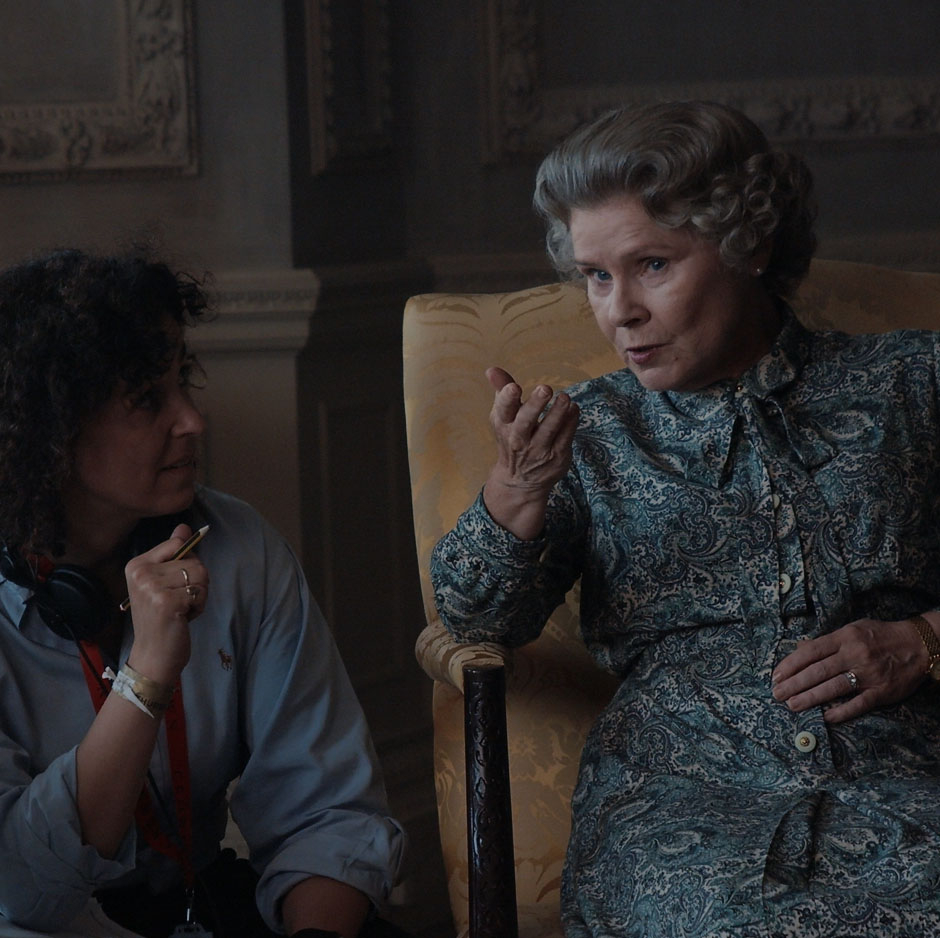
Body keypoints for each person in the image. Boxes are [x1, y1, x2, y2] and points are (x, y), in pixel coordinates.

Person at [430, 101, 940, 937]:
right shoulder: (586, 433)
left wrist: (923, 639)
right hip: (678, 818)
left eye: (652, 265)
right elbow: (476, 619)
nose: (618, 310)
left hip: (906, 794)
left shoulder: (911, 383)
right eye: (597, 276)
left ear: (751, 246)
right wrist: (517, 491)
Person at [0, 249, 407, 938]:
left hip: (197, 906)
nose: (192, 420)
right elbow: (24, 890)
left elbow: (326, 814)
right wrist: (146, 678)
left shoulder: (239, 546)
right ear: (52, 429)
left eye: (182, 382)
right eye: (147, 399)